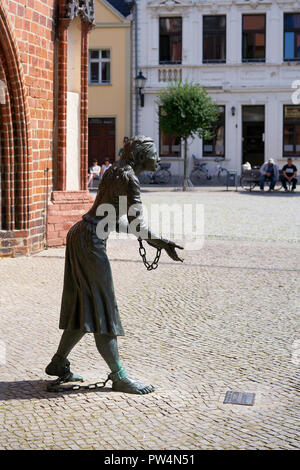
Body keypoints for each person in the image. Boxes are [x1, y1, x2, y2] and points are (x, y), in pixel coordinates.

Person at [45, 136, 183, 395]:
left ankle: (58, 362)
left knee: (84, 306)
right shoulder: (130, 179)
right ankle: (119, 376)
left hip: (81, 232)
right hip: (90, 242)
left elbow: (110, 218)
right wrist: (161, 242)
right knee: (103, 310)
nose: (159, 159)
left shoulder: (114, 171)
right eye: (155, 154)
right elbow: (137, 224)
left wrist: (147, 239)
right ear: (142, 157)